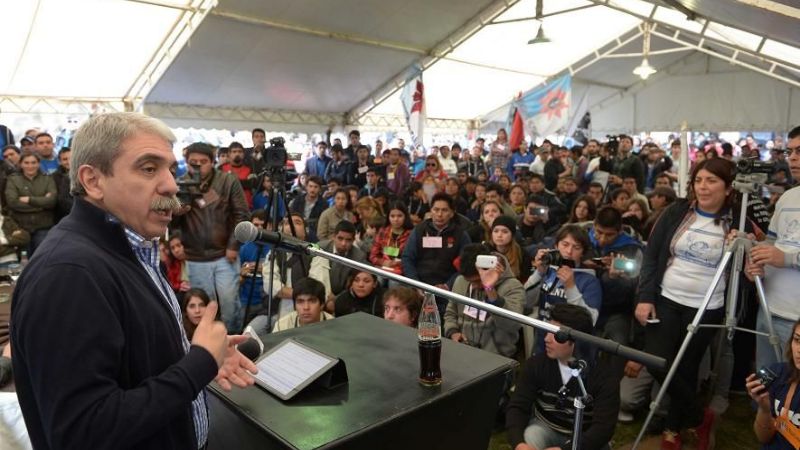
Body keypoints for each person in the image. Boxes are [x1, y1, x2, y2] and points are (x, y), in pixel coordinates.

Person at [10, 112, 256, 450]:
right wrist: (198, 364)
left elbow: (130, 363)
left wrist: (194, 355)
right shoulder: (69, 274)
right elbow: (83, 433)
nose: (171, 184)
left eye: (170, 168)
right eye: (149, 168)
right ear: (93, 181)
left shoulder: (131, 247)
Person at [635, 158, 745, 449]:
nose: (703, 187)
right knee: (658, 360)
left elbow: (751, 264)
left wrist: (743, 245)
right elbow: (652, 255)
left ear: (728, 187)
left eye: (711, 181)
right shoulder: (676, 212)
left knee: (686, 367)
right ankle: (700, 416)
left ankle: (673, 429)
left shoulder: (738, 218)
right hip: (667, 298)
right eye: (699, 180)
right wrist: (645, 297)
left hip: (708, 305)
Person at [506, 303, 619, 450]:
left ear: (577, 341)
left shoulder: (603, 376)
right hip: (545, 429)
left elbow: (603, 429)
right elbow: (517, 407)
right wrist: (519, 444)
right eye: (548, 331)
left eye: (556, 335)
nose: (547, 339)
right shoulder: (536, 365)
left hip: (586, 439)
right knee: (531, 436)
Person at [171, 142, 250, 332]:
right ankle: (210, 347)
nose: (198, 166)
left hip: (225, 254)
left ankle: (233, 341)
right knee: (204, 310)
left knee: (230, 305)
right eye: (192, 162)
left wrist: (234, 244)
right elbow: (170, 221)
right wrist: (175, 231)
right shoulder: (179, 183)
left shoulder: (228, 181)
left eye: (203, 161)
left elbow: (242, 215)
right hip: (195, 257)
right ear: (186, 162)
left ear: (212, 161)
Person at [746, 126, 800, 370]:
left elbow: (782, 254)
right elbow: (772, 244)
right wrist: (756, 259)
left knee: (794, 396)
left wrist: (787, 259)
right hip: (770, 310)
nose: (794, 159)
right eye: (790, 152)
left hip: (796, 320)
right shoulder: (788, 198)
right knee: (765, 387)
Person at [524, 225, 602, 352]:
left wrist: (570, 287)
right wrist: (539, 273)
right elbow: (526, 302)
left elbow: (590, 321)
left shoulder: (589, 280)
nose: (569, 251)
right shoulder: (548, 270)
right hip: (542, 341)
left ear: (583, 252)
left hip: (572, 347)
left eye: (576, 247)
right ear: (556, 246)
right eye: (565, 244)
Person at [444, 244, 524, 357]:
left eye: (477, 281)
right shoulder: (461, 281)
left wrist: (490, 290)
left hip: (496, 357)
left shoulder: (512, 287)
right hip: (463, 351)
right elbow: (450, 313)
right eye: (470, 281)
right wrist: (453, 332)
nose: (475, 286)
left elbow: (512, 325)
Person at [401, 193, 471, 316]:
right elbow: (407, 258)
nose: (439, 214)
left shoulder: (461, 235)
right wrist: (415, 283)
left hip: (448, 288)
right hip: (419, 284)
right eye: (436, 210)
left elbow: (465, 265)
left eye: (444, 210)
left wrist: (447, 285)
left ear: (452, 213)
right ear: (431, 211)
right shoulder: (419, 230)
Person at [745, 317, 800, 450]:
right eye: (797, 340)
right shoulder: (776, 373)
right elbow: (763, 438)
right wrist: (764, 409)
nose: (799, 349)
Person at [4, 151, 56, 255]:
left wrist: (29, 200)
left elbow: (52, 201)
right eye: (26, 163)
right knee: (24, 261)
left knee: (42, 258)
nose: (30, 166)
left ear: (38, 163)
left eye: (33, 162)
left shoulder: (48, 178)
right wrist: (41, 203)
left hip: (43, 226)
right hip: (20, 226)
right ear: (21, 164)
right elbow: (12, 202)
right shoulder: (13, 179)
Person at [309, 220, 367, 309]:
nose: (343, 243)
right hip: (317, 293)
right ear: (333, 237)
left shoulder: (359, 257)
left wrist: (336, 299)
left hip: (343, 299)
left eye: (348, 240)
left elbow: (352, 285)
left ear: (353, 240)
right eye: (340, 238)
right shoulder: (320, 247)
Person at [369, 201, 412, 275]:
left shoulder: (411, 234)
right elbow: (373, 255)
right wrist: (383, 262)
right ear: (388, 217)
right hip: (383, 267)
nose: (396, 219)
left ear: (405, 216)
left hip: (402, 271)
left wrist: (397, 264)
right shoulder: (383, 231)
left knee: (393, 283)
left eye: (399, 216)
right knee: (378, 278)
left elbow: (412, 259)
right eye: (392, 216)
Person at [488, 215, 531, 282]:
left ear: (512, 235)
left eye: (505, 232)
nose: (499, 235)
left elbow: (524, 281)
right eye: (496, 231)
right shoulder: (485, 250)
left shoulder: (522, 255)